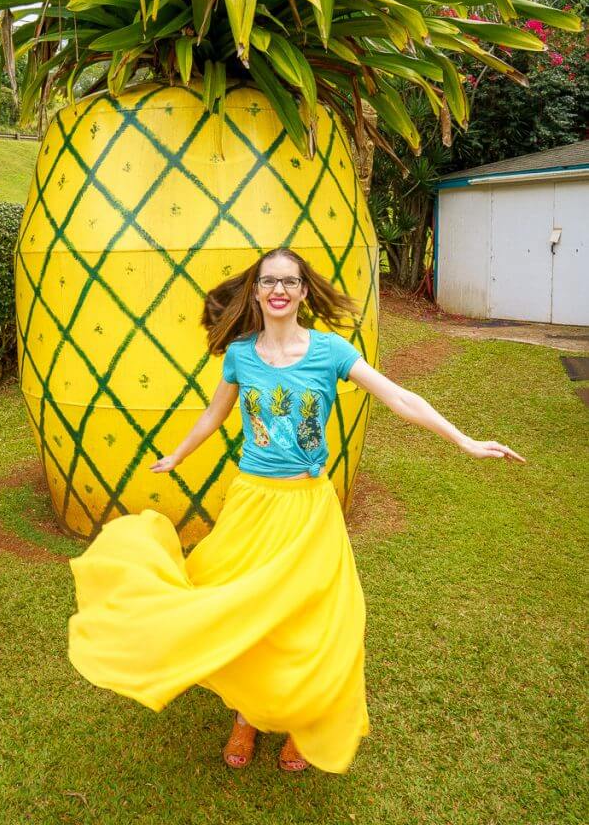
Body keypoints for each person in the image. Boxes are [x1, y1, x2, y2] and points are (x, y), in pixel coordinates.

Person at [68, 247, 524, 774]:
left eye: (289, 281)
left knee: (308, 621)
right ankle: (246, 716)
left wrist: (462, 439)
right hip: (253, 504)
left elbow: (399, 398)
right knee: (241, 610)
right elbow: (215, 414)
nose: (278, 290)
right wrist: (179, 453)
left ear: (304, 292)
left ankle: (299, 723)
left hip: (309, 508)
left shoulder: (330, 351)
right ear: (257, 292)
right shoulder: (240, 354)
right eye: (268, 282)